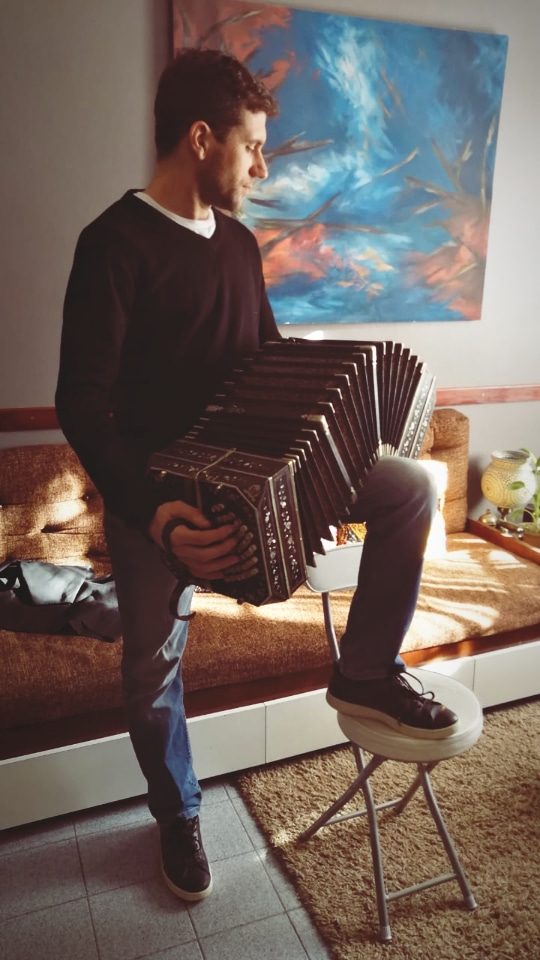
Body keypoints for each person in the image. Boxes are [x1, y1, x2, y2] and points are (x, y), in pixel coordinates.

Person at [55, 48, 457, 905]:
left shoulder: (239, 245)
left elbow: (265, 360)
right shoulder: (112, 244)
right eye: (254, 147)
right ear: (202, 138)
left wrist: (340, 419)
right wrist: (156, 514)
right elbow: (81, 403)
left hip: (262, 479)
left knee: (413, 487)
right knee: (152, 670)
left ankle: (367, 668)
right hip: (158, 504)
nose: (263, 168)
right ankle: (178, 814)